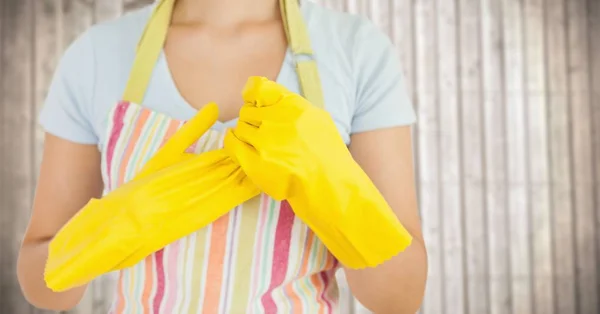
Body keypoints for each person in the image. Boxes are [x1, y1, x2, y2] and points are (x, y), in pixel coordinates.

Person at [17, 0, 427, 313]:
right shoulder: (96, 55)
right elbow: (41, 284)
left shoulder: (356, 52)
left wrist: (333, 190)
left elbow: (400, 296)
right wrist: (103, 231)